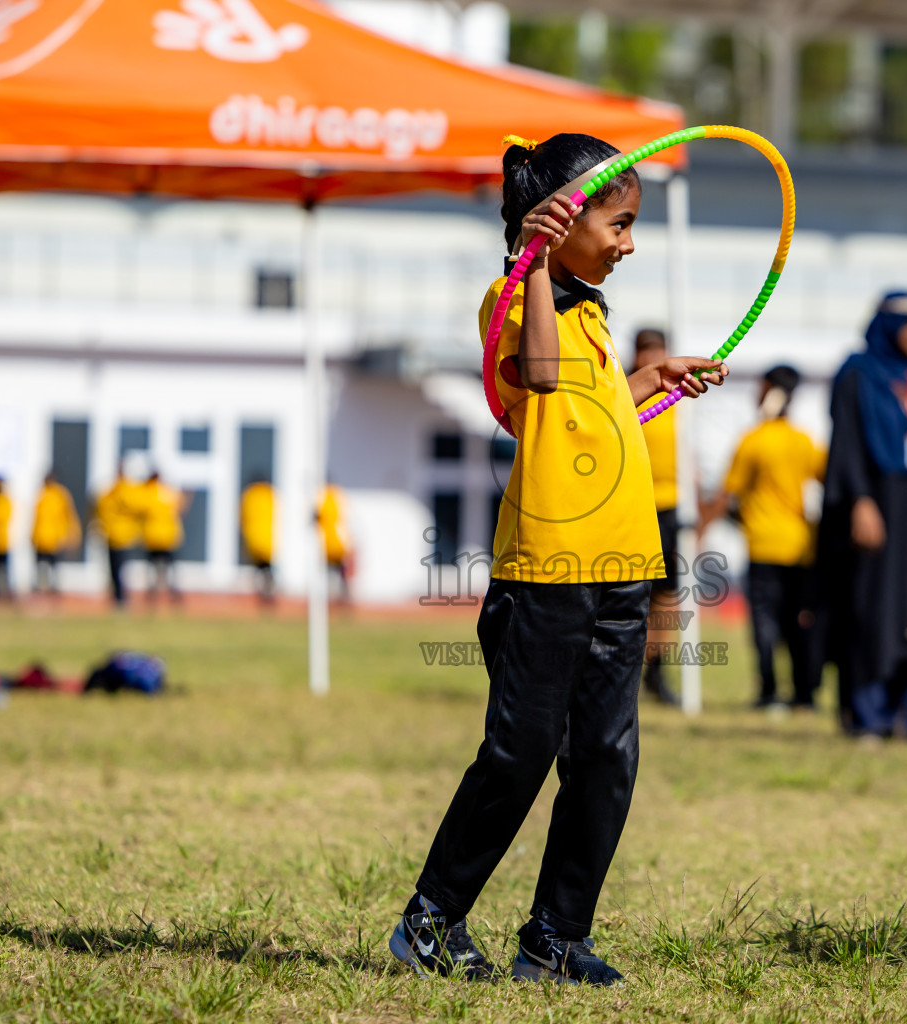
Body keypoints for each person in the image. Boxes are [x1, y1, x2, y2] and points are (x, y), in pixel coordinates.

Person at [390, 132, 726, 986]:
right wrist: (530, 261)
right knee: (520, 753)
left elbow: (582, 400)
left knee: (607, 757)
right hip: (547, 570)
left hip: (621, 564)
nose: (629, 241)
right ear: (563, 222)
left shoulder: (589, 309)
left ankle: (554, 936)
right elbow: (538, 379)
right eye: (618, 223)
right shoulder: (512, 297)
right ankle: (430, 919)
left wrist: (648, 378)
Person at [818, 292, 907, 738]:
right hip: (873, 501)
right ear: (889, 325)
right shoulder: (858, 373)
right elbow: (847, 444)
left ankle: (901, 713)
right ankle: (864, 713)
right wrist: (859, 500)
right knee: (870, 608)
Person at [708, 364, 823, 709]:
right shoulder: (804, 440)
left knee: (764, 624)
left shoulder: (753, 440)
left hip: (762, 545)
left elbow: (727, 493)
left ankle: (769, 691)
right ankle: (804, 693)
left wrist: (702, 529)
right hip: (801, 546)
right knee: (798, 622)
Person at [633, 327, 683, 706]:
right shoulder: (627, 396)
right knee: (632, 591)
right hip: (634, 505)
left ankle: (657, 669)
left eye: (658, 352)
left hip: (670, 508)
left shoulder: (680, 399)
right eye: (645, 353)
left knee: (667, 596)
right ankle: (626, 666)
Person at [96, 464, 143, 608]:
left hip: (124, 537)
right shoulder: (113, 490)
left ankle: (123, 598)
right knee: (114, 569)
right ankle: (117, 597)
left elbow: (138, 508)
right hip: (113, 535)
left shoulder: (129, 490)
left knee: (121, 569)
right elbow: (101, 507)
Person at [31, 471, 81, 595]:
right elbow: (37, 518)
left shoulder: (61, 494)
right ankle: (42, 590)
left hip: (55, 539)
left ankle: (53, 591)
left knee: (54, 568)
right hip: (41, 538)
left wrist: (72, 536)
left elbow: (69, 516)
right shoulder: (42, 494)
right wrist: (33, 536)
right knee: (41, 567)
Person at [141, 471, 185, 603]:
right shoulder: (168, 492)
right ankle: (173, 596)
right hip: (167, 537)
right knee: (170, 570)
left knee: (153, 570)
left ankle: (153, 597)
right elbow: (180, 508)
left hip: (153, 537)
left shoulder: (146, 492)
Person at [240, 475, 277, 604]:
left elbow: (243, 517)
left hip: (253, 538)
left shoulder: (249, 495)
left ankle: (262, 592)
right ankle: (267, 591)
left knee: (260, 568)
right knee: (266, 568)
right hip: (267, 538)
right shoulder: (269, 494)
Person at [317, 482, 352, 605]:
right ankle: (340, 594)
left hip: (333, 542)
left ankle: (339, 594)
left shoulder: (326, 498)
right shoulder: (337, 496)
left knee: (335, 569)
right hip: (335, 541)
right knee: (337, 570)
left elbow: (322, 516)